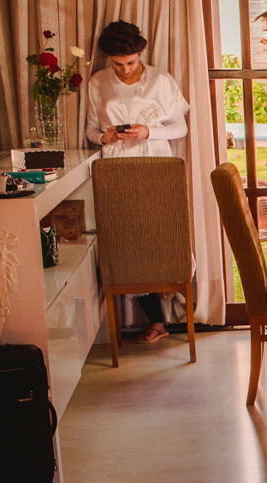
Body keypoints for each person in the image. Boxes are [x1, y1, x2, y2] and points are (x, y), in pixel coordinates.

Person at [85, 20, 190, 344]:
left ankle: (170, 310)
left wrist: (148, 132)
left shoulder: (161, 80)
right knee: (126, 241)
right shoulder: (98, 82)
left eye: (130, 62)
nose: (126, 69)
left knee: (158, 238)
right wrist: (104, 137)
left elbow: (181, 128)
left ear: (140, 54)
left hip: (156, 166)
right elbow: (91, 130)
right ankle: (154, 319)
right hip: (116, 169)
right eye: (118, 64)